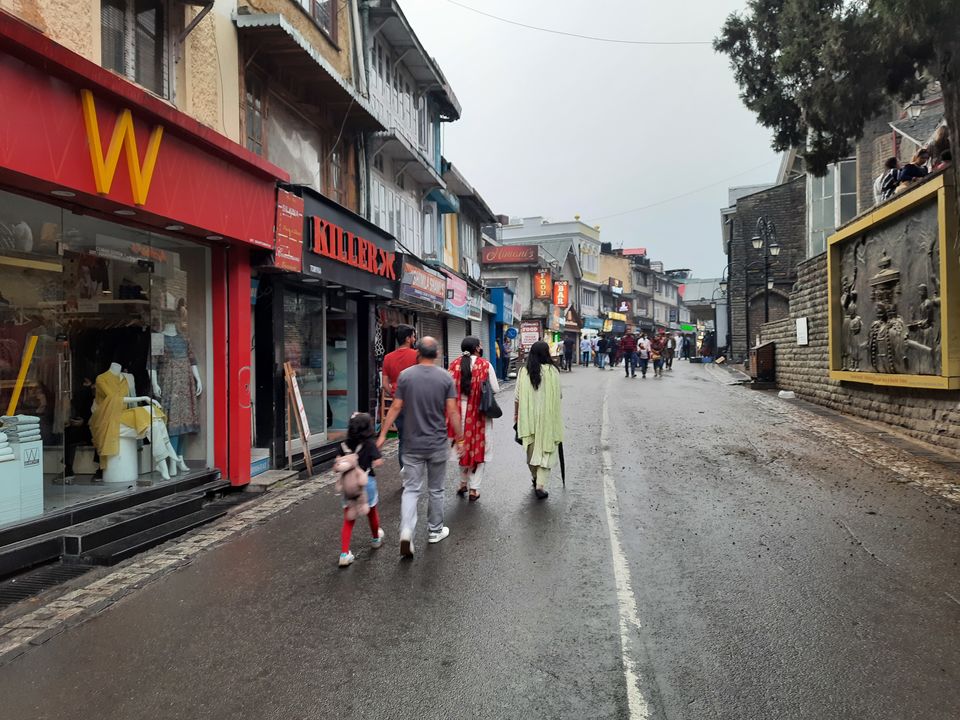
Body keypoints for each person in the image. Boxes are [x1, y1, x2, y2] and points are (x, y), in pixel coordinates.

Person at [377, 337, 463, 558]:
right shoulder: (446, 377)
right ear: (436, 354)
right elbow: (452, 411)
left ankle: (407, 531)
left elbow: (396, 407)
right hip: (436, 443)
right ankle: (435, 531)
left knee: (411, 490)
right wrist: (460, 439)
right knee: (436, 490)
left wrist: (383, 433)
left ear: (418, 353)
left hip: (412, 444)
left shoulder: (406, 376)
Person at [448, 337, 498, 502]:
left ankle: (463, 483)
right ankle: (474, 489)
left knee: (461, 449)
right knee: (478, 449)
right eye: (481, 345)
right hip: (479, 416)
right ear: (477, 348)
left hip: (458, 415)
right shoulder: (485, 365)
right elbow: (495, 389)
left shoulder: (454, 365)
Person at [514, 341, 563, 500]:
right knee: (546, 451)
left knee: (531, 451)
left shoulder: (523, 372)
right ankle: (540, 484)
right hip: (548, 420)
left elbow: (517, 398)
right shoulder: (554, 371)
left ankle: (536, 478)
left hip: (528, 419)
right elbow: (559, 396)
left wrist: (516, 416)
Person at [337, 412, 384, 567]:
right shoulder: (370, 444)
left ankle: (344, 553)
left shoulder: (344, 444)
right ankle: (376, 538)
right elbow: (378, 461)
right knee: (371, 513)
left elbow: (338, 464)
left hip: (348, 485)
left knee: (348, 519)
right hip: (366, 483)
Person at [382, 324, 418, 469]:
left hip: (397, 405)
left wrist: (394, 394)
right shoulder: (417, 355)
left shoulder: (388, 357)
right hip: (415, 404)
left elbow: (384, 384)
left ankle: (405, 473)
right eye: (414, 336)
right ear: (408, 338)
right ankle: (415, 471)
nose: (415, 339)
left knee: (403, 439)